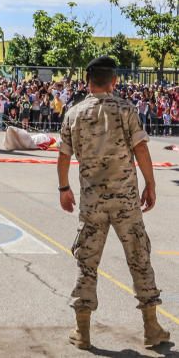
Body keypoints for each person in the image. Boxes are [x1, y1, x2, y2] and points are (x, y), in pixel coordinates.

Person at [57, 56, 169, 350]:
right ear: (114, 81)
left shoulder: (74, 113)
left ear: (87, 81)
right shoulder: (125, 109)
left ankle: (82, 331)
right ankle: (151, 328)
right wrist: (151, 183)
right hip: (126, 201)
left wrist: (64, 188)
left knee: (87, 263)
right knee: (139, 259)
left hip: (92, 202)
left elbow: (63, 156)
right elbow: (141, 149)